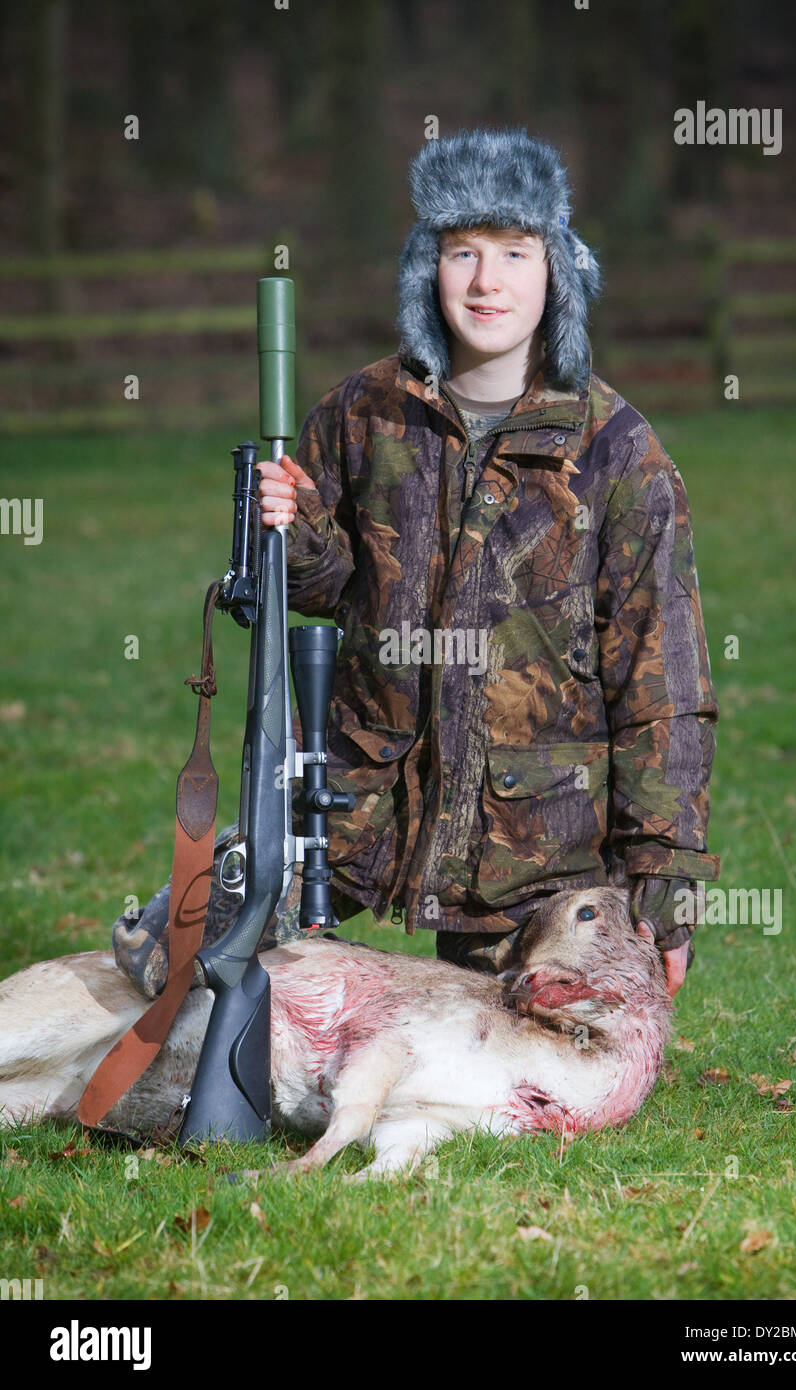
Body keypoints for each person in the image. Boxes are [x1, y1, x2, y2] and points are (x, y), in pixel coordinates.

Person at [114, 126, 719, 1001]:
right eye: (460, 252)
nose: (486, 281)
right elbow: (312, 589)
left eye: (514, 251)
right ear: (422, 272)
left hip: (532, 852)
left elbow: (664, 690)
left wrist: (662, 897)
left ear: (557, 270)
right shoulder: (365, 412)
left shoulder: (620, 452)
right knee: (175, 966)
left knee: (519, 1060)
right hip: (350, 810)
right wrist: (287, 528)